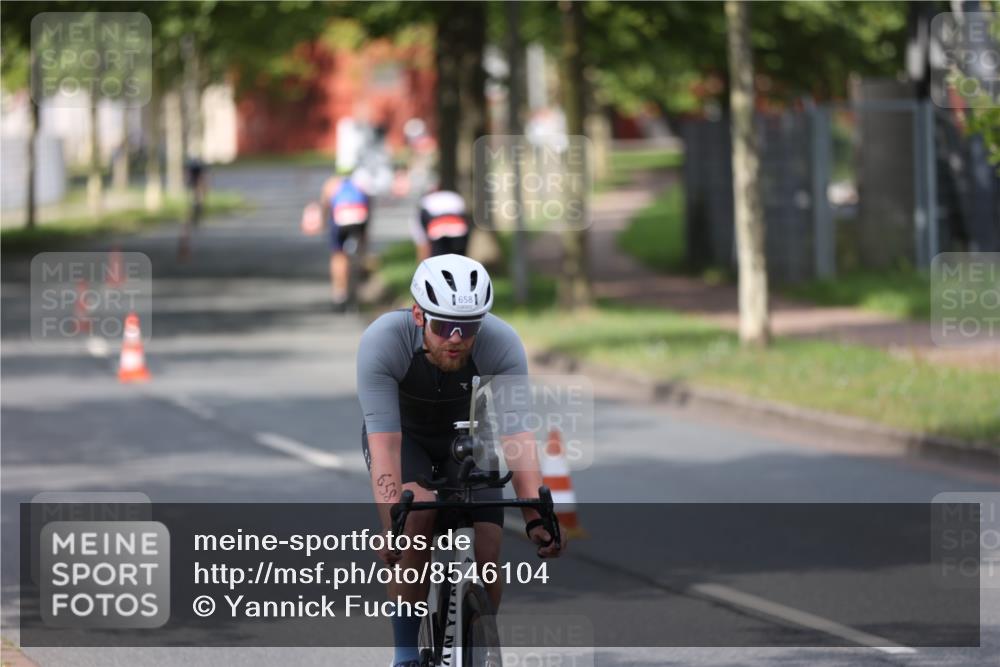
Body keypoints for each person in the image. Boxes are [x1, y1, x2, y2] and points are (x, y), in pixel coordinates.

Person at [356, 255, 562, 667]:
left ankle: (478, 642)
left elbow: (518, 435)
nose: (456, 338)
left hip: (470, 436)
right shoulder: (383, 341)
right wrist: (390, 525)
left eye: (468, 327)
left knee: (488, 546)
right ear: (418, 315)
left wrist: (538, 515)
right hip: (405, 438)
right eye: (443, 326)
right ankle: (405, 654)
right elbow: (385, 445)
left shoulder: (501, 343)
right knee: (415, 522)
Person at [321, 170, 371, 311]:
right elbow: (368, 206)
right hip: (359, 219)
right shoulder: (362, 181)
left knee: (338, 255)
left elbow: (325, 205)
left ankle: (339, 293)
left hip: (340, 220)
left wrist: (324, 223)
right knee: (360, 251)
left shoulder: (331, 183)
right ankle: (359, 287)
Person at [410, 187, 471, 261]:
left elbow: (422, 242)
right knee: (459, 259)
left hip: (437, 229)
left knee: (437, 260)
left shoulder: (424, 202)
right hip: (459, 229)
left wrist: (422, 264)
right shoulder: (454, 196)